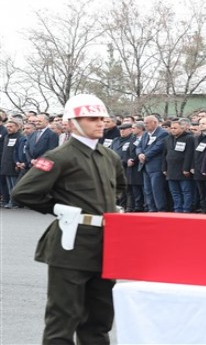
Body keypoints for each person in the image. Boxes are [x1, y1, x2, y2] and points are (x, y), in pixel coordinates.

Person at [11, 94, 127, 344]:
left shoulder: (109, 156)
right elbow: (23, 192)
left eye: (102, 118)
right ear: (72, 123)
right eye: (92, 118)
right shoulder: (59, 156)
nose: (100, 123)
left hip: (104, 244)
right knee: (63, 317)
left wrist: (107, 206)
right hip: (70, 243)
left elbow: (118, 188)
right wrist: (57, 208)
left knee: (99, 319)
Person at [162, 120, 195, 213]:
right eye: (171, 128)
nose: (173, 130)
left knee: (186, 191)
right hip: (171, 170)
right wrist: (164, 168)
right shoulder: (167, 139)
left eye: (175, 128)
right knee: (174, 192)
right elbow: (164, 154)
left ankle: (186, 209)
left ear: (182, 128)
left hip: (183, 170)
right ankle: (177, 209)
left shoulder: (189, 138)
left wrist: (186, 168)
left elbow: (189, 154)